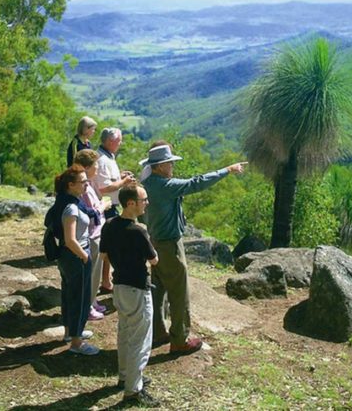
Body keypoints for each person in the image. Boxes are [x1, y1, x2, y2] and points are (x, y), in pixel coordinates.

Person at [141, 144, 246, 354]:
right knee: (179, 292)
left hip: (154, 242)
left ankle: (157, 332)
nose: (172, 166)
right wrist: (227, 170)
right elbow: (196, 183)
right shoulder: (166, 185)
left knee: (158, 289)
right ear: (160, 166)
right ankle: (179, 339)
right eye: (170, 163)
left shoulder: (147, 184)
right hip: (170, 245)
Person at [100, 185, 160, 407]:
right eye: (144, 199)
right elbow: (154, 260)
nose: (147, 203)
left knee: (124, 333)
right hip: (137, 288)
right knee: (140, 341)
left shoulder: (109, 225)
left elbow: (104, 255)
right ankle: (133, 390)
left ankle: (125, 376)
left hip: (119, 288)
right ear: (131, 203)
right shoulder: (138, 231)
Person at [50, 165, 102, 355]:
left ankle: (70, 333)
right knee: (80, 298)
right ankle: (77, 343)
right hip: (75, 256)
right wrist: (84, 256)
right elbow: (70, 239)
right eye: (83, 182)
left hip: (67, 257)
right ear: (71, 185)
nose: (86, 185)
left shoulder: (64, 201)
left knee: (69, 295)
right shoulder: (71, 207)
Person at [93, 127, 135, 292]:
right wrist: (123, 183)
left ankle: (106, 279)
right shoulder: (102, 159)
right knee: (109, 245)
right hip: (107, 206)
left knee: (110, 245)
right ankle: (105, 280)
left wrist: (120, 176)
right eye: (119, 140)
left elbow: (108, 180)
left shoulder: (107, 156)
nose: (121, 143)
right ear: (110, 142)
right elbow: (104, 188)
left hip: (111, 204)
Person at [72, 149, 109, 320]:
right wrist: (104, 206)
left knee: (94, 273)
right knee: (93, 274)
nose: (98, 169)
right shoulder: (85, 188)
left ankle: (92, 302)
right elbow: (90, 213)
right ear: (87, 167)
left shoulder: (89, 184)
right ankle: (87, 308)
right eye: (95, 165)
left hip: (96, 234)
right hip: (92, 235)